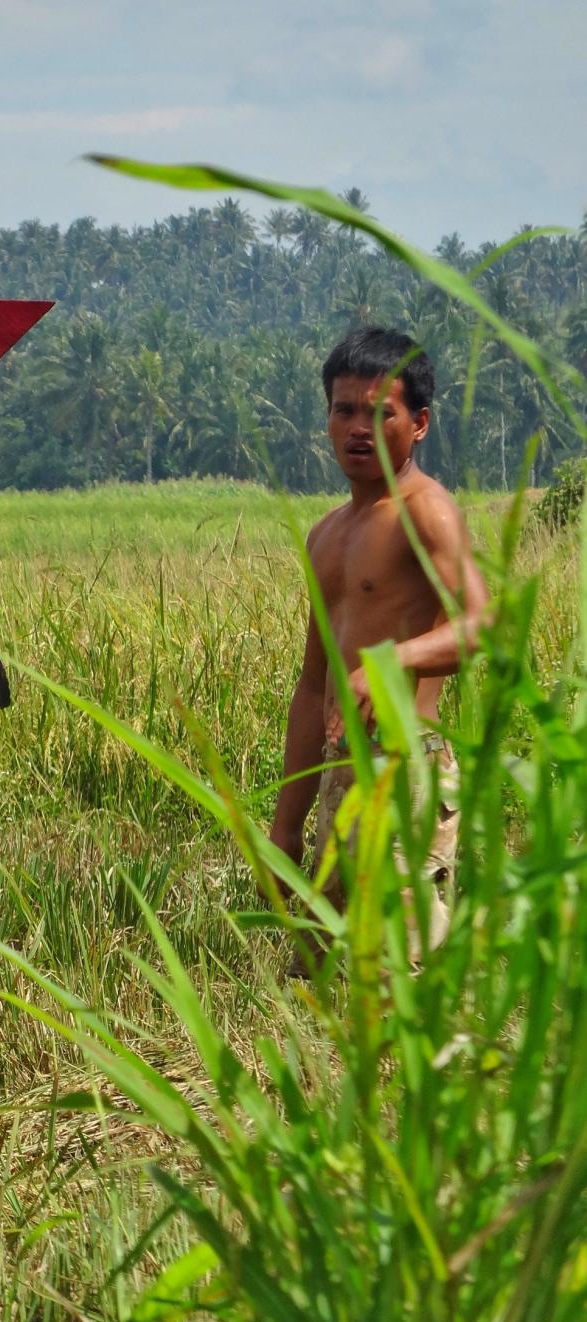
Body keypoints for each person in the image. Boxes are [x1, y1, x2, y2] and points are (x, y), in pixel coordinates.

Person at [269, 327, 489, 961]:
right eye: (344, 411)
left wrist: (394, 662)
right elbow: (315, 686)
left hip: (405, 768)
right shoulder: (327, 533)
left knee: (403, 972)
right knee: (318, 968)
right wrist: (287, 824)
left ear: (418, 424)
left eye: (378, 413)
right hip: (340, 771)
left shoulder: (427, 511)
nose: (357, 429)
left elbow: (482, 627)